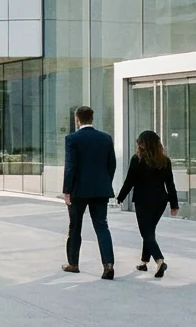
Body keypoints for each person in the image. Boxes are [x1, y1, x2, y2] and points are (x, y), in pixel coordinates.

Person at [62, 106, 117, 279]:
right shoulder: (106, 138)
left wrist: (67, 190)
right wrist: (104, 182)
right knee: (102, 226)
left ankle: (73, 263)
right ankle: (108, 265)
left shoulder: (72, 139)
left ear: (77, 119)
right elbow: (112, 164)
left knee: (75, 226)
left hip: (78, 190)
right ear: (92, 118)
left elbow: (70, 166)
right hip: (101, 189)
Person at [116, 130, 179, 278]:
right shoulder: (164, 160)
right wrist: (174, 204)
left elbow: (130, 180)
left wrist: (121, 196)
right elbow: (170, 184)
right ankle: (144, 262)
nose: (138, 143)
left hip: (143, 201)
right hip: (160, 201)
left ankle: (159, 260)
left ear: (144, 144)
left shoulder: (137, 159)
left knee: (146, 232)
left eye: (140, 141)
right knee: (149, 231)